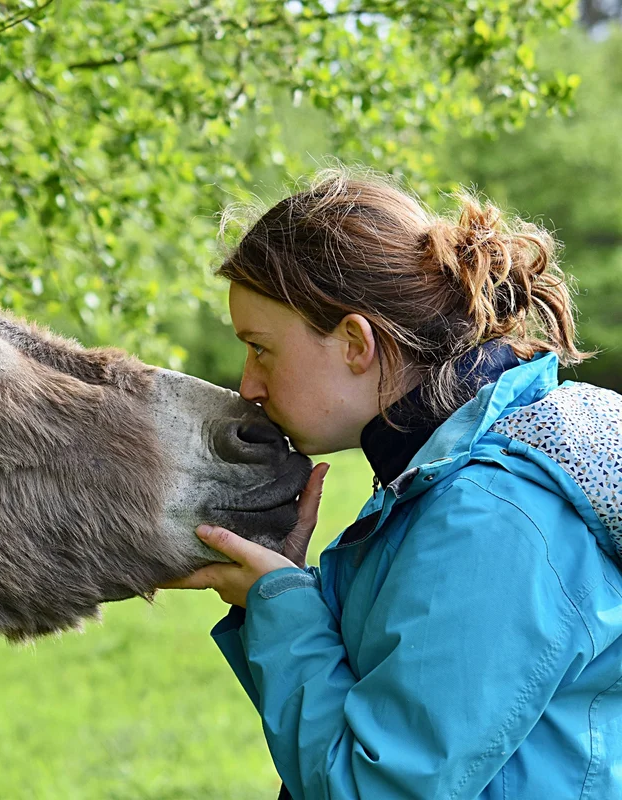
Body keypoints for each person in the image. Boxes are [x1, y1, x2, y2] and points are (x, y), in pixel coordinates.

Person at [163, 169, 622, 799]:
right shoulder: (441, 485)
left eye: (261, 348)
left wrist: (285, 611)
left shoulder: (490, 518)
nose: (249, 385)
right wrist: (276, 595)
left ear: (355, 343)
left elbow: (374, 787)